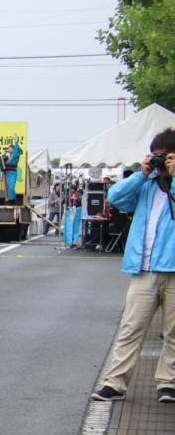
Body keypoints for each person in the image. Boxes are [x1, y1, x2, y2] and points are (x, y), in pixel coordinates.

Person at [92, 129, 175, 403]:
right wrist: (141, 174)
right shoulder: (145, 185)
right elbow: (115, 197)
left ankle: (168, 383)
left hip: (173, 269)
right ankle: (114, 382)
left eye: (164, 157)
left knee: (173, 333)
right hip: (144, 269)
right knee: (131, 327)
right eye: (157, 156)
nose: (160, 162)